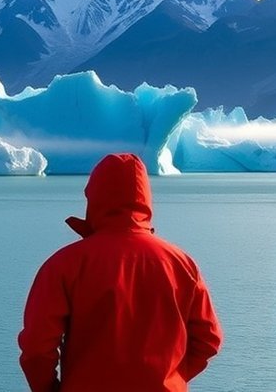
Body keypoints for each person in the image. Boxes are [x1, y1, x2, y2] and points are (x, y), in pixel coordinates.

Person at [18, 153, 222, 392]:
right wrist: (171, 378)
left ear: (93, 197)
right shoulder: (182, 264)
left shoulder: (64, 264)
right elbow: (208, 339)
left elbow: (37, 348)